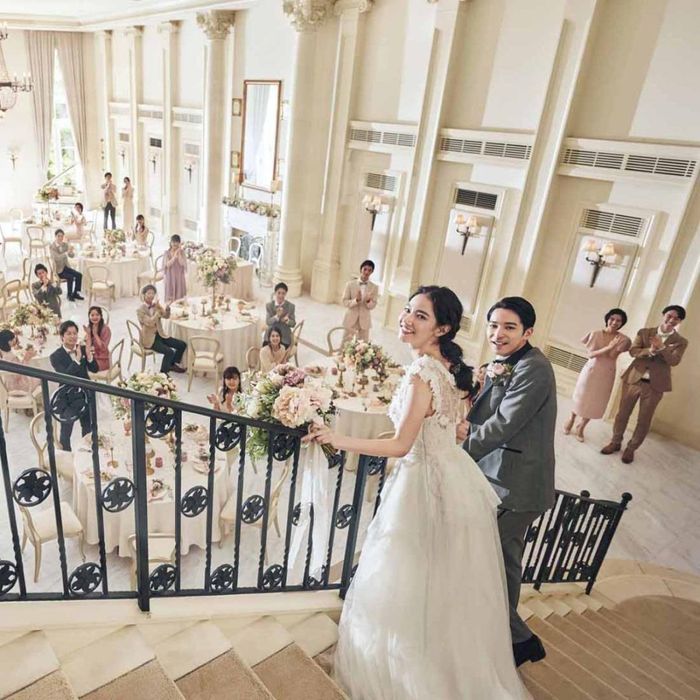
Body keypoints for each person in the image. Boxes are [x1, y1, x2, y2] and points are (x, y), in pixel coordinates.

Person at [308, 286, 530, 699]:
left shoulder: (421, 374)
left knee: (405, 574)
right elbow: (443, 425)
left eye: (421, 316)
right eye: (408, 310)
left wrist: (338, 438)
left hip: (422, 483)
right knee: (436, 579)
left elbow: (400, 446)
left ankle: (404, 673)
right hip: (451, 475)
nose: (407, 319)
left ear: (442, 328)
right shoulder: (445, 367)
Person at [459, 296, 556, 669]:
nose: (498, 334)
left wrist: (459, 450)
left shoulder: (535, 369)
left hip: (516, 487)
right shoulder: (508, 361)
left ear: (528, 332)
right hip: (506, 479)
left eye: (509, 327)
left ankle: (522, 639)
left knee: (476, 555)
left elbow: (504, 425)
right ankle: (513, 640)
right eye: (493, 325)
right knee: (506, 564)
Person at [601, 305, 689, 464]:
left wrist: (662, 348)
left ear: (680, 321)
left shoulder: (681, 342)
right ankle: (615, 442)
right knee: (622, 414)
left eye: (676, 318)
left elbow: (674, 361)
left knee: (644, 420)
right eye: (669, 316)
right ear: (663, 315)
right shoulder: (644, 332)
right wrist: (650, 350)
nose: (671, 320)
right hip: (633, 379)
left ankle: (631, 449)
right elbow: (633, 351)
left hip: (655, 385)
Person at [564, 308, 631, 442]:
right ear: (607, 319)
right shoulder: (595, 334)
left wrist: (613, 347)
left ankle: (581, 426)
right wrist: (609, 346)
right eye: (612, 319)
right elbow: (591, 354)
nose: (614, 322)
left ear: (622, 323)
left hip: (607, 372)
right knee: (582, 396)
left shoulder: (624, 339)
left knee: (596, 400)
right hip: (591, 369)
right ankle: (572, 418)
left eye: (618, 320)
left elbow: (611, 356)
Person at [50, 320, 98, 451]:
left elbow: (95, 369)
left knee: (87, 427)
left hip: (85, 394)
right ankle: (66, 454)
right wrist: (77, 359)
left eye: (75, 333)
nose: (73, 336)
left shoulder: (82, 349)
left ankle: (87, 453)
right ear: (62, 336)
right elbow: (65, 377)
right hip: (68, 398)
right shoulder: (55, 356)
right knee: (66, 431)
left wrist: (89, 356)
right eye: (69, 333)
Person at [136, 285, 186, 374]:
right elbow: (149, 323)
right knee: (169, 352)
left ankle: (171, 364)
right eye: (149, 293)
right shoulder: (140, 310)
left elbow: (166, 316)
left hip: (160, 334)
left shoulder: (156, 305)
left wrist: (167, 308)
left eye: (153, 293)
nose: (151, 295)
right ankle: (163, 373)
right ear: (144, 295)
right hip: (149, 339)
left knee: (182, 345)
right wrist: (157, 313)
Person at [341, 259, 379, 344]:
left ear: (372, 272)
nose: (367, 272)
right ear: (361, 269)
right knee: (345, 343)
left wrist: (368, 301)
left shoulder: (374, 287)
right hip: (351, 318)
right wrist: (356, 300)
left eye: (369, 270)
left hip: (365, 320)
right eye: (365, 269)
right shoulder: (350, 284)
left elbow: (373, 305)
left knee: (363, 345)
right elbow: (345, 302)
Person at [0, 329, 40, 394]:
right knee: (39, 376)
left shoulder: (2, 352)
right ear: (9, 341)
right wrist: (26, 359)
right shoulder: (11, 357)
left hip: (7, 383)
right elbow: (18, 374)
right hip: (17, 386)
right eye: (12, 339)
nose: (14, 340)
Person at [50, 229, 84, 301]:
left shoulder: (64, 245)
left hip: (65, 267)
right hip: (58, 270)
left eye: (62, 236)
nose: (60, 238)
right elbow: (56, 258)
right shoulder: (52, 247)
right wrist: (66, 253)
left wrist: (71, 251)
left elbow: (71, 256)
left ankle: (75, 293)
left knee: (79, 275)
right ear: (55, 236)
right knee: (70, 277)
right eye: (58, 236)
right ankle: (69, 295)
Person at [265, 282, 295, 348]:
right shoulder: (269, 305)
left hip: (284, 337)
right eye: (279, 293)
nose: (281, 296)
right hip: (271, 336)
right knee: (266, 350)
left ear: (286, 294)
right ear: (275, 293)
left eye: (283, 293)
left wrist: (287, 320)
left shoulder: (291, 306)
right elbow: (268, 322)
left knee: (281, 352)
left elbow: (293, 324)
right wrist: (277, 316)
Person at [85, 306, 111, 372]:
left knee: (84, 368)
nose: (95, 317)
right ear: (89, 317)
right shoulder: (90, 326)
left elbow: (103, 348)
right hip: (92, 355)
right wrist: (88, 334)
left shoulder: (106, 329)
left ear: (101, 316)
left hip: (102, 358)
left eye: (97, 315)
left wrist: (95, 334)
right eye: (92, 315)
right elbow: (88, 345)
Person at [164, 234, 187, 303]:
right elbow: (167, 265)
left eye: (177, 242)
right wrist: (174, 257)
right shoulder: (167, 253)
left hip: (179, 276)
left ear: (179, 243)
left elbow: (182, 263)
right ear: (170, 243)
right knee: (170, 293)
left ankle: (179, 304)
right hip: (170, 276)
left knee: (179, 292)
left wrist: (178, 253)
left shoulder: (182, 252)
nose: (175, 244)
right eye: (173, 242)